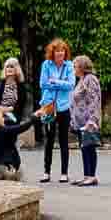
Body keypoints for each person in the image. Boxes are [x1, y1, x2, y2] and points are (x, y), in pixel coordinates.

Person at [0, 101, 54, 180]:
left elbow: (12, 124)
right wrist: (35, 116)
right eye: (1, 116)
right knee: (11, 172)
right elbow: (21, 128)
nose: (3, 118)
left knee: (15, 170)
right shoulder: (0, 131)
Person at [37, 37, 76, 183]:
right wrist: (60, 84)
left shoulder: (69, 65)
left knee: (64, 140)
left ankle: (64, 173)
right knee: (49, 139)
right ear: (52, 53)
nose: (60, 53)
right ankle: (46, 172)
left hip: (63, 106)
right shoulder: (46, 65)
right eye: (57, 51)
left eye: (62, 51)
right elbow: (42, 84)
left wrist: (54, 82)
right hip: (48, 106)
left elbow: (71, 85)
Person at [71, 54, 102, 187]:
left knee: (89, 148)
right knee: (84, 148)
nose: (73, 68)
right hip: (80, 121)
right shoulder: (82, 79)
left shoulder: (91, 79)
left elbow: (94, 100)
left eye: (75, 66)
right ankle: (87, 175)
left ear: (82, 67)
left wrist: (92, 120)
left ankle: (91, 176)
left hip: (88, 121)